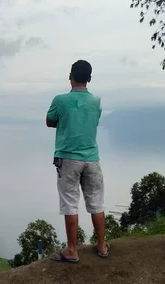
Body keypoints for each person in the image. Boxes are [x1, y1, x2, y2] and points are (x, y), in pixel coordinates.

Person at [46, 59, 109, 263]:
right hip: (92, 158)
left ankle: (72, 250)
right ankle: (102, 246)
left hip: (68, 159)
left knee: (70, 203)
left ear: (70, 76)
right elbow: (93, 121)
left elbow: (50, 121)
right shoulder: (96, 102)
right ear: (89, 79)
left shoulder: (60, 100)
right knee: (96, 202)